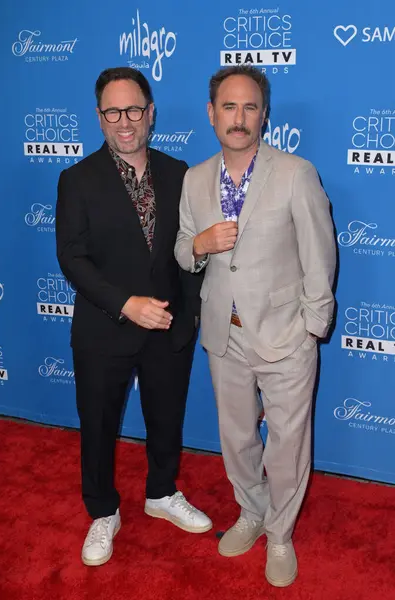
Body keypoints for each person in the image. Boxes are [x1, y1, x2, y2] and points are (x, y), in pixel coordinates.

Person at [175, 65, 336, 587]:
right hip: (225, 334)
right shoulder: (195, 179)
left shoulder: (295, 172)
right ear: (211, 113)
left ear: (264, 114)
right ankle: (252, 511)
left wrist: (312, 328)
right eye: (229, 107)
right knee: (237, 437)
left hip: (286, 335)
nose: (238, 118)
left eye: (249, 107)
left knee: (287, 445)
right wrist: (199, 245)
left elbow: (320, 254)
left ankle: (282, 533)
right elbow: (181, 249)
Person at [56, 67, 212, 567]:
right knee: (97, 425)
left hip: (168, 326)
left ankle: (162, 492)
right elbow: (72, 257)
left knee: (167, 416)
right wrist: (126, 304)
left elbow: (188, 249)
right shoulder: (76, 179)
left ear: (151, 113)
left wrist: (188, 316)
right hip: (105, 327)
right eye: (113, 111)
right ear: (100, 117)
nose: (125, 122)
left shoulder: (179, 172)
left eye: (134, 110)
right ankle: (103, 510)